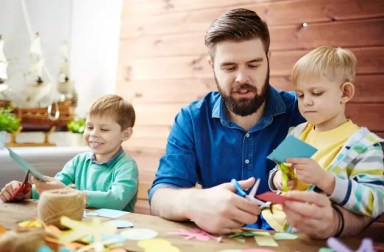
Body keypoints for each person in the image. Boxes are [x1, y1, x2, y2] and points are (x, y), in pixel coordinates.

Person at [148, 8, 374, 238]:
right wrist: (192, 201)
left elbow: (369, 197)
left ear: (268, 59)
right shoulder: (192, 119)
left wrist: (336, 222)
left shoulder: (307, 112)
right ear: (212, 65)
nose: (242, 78)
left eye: (254, 64)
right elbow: (160, 196)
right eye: (229, 67)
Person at [260, 46, 384, 232]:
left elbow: (376, 201)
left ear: (345, 93)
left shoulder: (366, 146)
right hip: (267, 221)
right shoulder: (299, 132)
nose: (306, 102)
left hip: (307, 236)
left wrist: (326, 181)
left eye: (316, 93)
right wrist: (280, 179)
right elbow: (278, 171)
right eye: (300, 95)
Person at [0, 94, 139, 212]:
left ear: (125, 134)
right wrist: (26, 192)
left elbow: (115, 200)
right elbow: (56, 187)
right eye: (89, 127)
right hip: (82, 225)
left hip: (116, 231)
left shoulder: (127, 166)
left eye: (104, 129)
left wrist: (69, 193)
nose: (93, 134)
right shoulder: (79, 161)